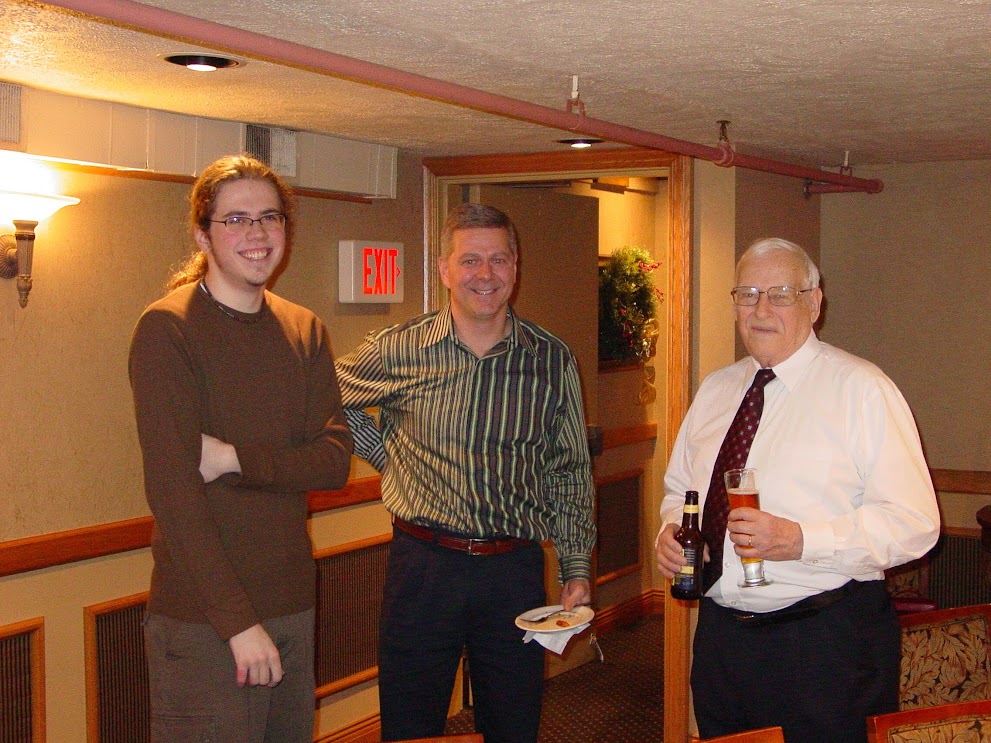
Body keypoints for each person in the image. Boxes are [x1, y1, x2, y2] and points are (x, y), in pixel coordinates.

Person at [654, 237, 940, 743]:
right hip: (722, 641)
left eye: (781, 294)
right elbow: (680, 489)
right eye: (748, 294)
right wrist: (670, 531)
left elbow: (914, 524)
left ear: (814, 303)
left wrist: (802, 540)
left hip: (825, 645)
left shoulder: (862, 389)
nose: (761, 309)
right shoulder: (716, 390)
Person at [335, 203, 595, 743]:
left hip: (514, 572)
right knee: (410, 727)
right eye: (470, 260)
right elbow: (330, 398)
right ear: (444, 269)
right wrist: (391, 458)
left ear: (515, 267)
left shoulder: (551, 359)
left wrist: (575, 566)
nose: (485, 274)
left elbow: (568, 468)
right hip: (423, 567)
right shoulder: (399, 348)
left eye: (498, 260)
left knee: (513, 725)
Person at [128, 154, 353, 742]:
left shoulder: (304, 329)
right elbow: (174, 496)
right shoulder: (168, 329)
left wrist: (233, 459)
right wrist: (237, 623)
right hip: (206, 620)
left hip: (292, 606)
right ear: (203, 235)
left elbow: (333, 461)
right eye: (235, 219)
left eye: (269, 217)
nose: (256, 233)